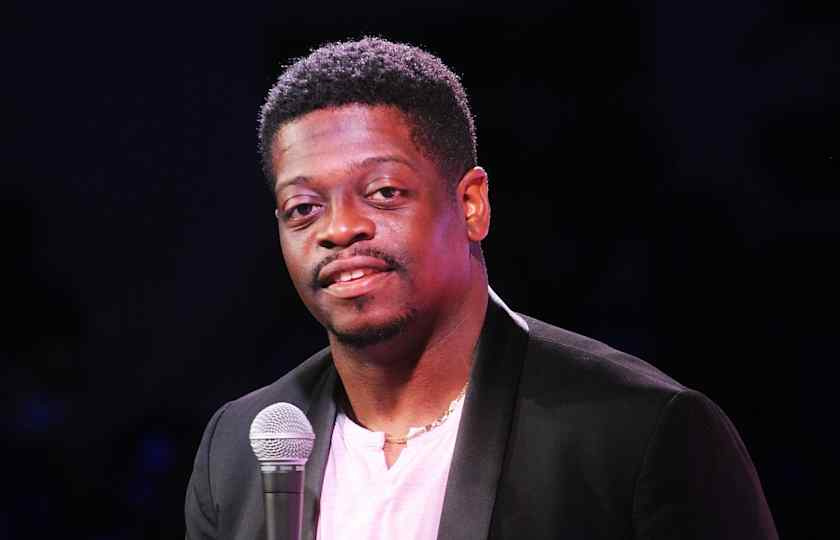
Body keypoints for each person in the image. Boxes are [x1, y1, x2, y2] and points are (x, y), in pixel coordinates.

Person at [184, 37, 778, 540]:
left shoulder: (639, 434)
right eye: (303, 208)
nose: (339, 229)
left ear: (471, 205)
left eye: (384, 192)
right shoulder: (237, 451)